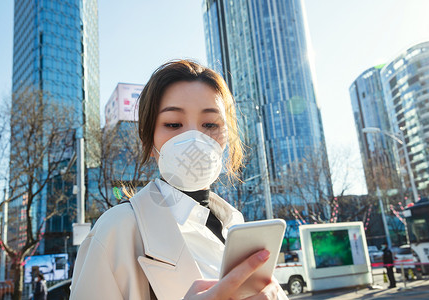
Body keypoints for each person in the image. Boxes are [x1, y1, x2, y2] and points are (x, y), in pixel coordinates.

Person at [69, 60, 286, 299]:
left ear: (228, 136)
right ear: (149, 141)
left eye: (210, 124)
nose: (194, 138)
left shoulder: (234, 223)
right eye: (173, 124)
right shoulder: (114, 230)